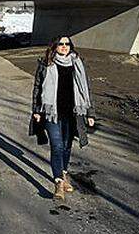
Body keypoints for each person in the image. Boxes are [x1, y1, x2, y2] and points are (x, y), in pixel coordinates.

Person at [29, 36, 96, 199]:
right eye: (61, 44)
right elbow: (37, 88)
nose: (64, 47)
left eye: (67, 44)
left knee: (66, 146)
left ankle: (63, 175)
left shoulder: (77, 63)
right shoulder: (46, 64)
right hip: (51, 113)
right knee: (57, 146)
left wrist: (90, 113)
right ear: (55, 46)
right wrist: (36, 110)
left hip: (72, 113)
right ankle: (58, 182)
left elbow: (86, 88)